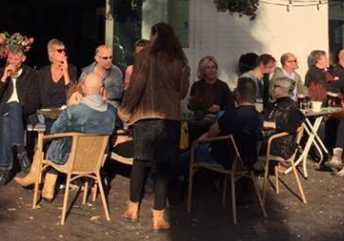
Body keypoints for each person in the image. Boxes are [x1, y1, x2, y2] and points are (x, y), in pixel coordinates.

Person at [120, 23, 189, 231]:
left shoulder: (144, 56)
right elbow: (183, 92)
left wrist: (125, 110)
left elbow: (136, 86)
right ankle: (158, 214)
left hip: (146, 117)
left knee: (139, 162)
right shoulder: (179, 59)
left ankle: (133, 207)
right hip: (170, 119)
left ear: (153, 36)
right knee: (164, 167)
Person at [14, 73, 118, 197]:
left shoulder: (74, 111)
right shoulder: (112, 111)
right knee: (60, 140)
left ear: (83, 88)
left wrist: (70, 106)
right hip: (96, 160)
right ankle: (44, 185)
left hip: (70, 160)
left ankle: (42, 182)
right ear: (102, 90)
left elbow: (54, 131)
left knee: (49, 140)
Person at [175, 79, 263, 184]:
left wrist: (197, 142)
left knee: (192, 152)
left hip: (226, 161)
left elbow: (210, 135)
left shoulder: (230, 115)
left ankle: (166, 180)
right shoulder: (259, 117)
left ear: (238, 95)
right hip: (246, 162)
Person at [0, 46, 37, 188]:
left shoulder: (31, 74)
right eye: (10, 58)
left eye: (16, 59)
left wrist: (18, 112)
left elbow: (34, 102)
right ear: (7, 59)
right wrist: (4, 78)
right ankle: (21, 151)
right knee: (11, 108)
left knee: (12, 112)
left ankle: (4, 170)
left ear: (23, 59)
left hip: (20, 113)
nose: (13, 62)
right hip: (2, 110)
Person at [27, 39, 78, 130]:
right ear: (51, 54)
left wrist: (65, 72)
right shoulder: (43, 72)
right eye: (59, 51)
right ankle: (51, 143)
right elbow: (40, 97)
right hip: (47, 112)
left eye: (64, 50)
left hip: (65, 110)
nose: (63, 53)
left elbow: (72, 95)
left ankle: (53, 143)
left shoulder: (71, 69)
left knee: (62, 120)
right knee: (53, 121)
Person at [263, 77, 304, 168]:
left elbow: (293, 127)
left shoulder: (292, 107)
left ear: (282, 89)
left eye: (275, 86)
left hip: (282, 146)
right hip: (270, 140)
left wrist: (273, 125)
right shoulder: (273, 104)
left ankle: (249, 171)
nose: (272, 89)